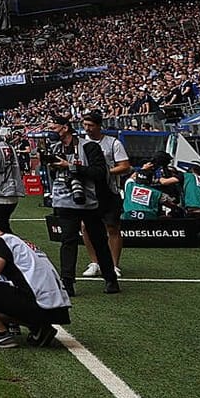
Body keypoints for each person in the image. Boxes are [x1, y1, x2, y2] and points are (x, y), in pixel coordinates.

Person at [0, 215, 71, 348]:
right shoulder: (18, 241)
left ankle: (1, 334)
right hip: (58, 308)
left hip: (40, 305)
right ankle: (40, 329)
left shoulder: (0, 242)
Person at [46, 115, 121, 294]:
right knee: (68, 240)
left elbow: (99, 172)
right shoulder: (55, 148)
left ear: (65, 128)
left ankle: (110, 279)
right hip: (64, 199)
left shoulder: (89, 147)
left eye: (54, 128)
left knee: (99, 241)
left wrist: (70, 166)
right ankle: (68, 283)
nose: (51, 132)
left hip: (90, 201)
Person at [76, 110, 131, 281]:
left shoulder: (113, 143)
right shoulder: (80, 143)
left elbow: (125, 166)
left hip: (109, 191)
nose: (87, 128)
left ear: (99, 126)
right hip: (88, 191)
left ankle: (114, 265)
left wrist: (102, 172)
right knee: (86, 227)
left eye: (91, 125)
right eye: (85, 125)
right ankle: (94, 263)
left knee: (112, 227)